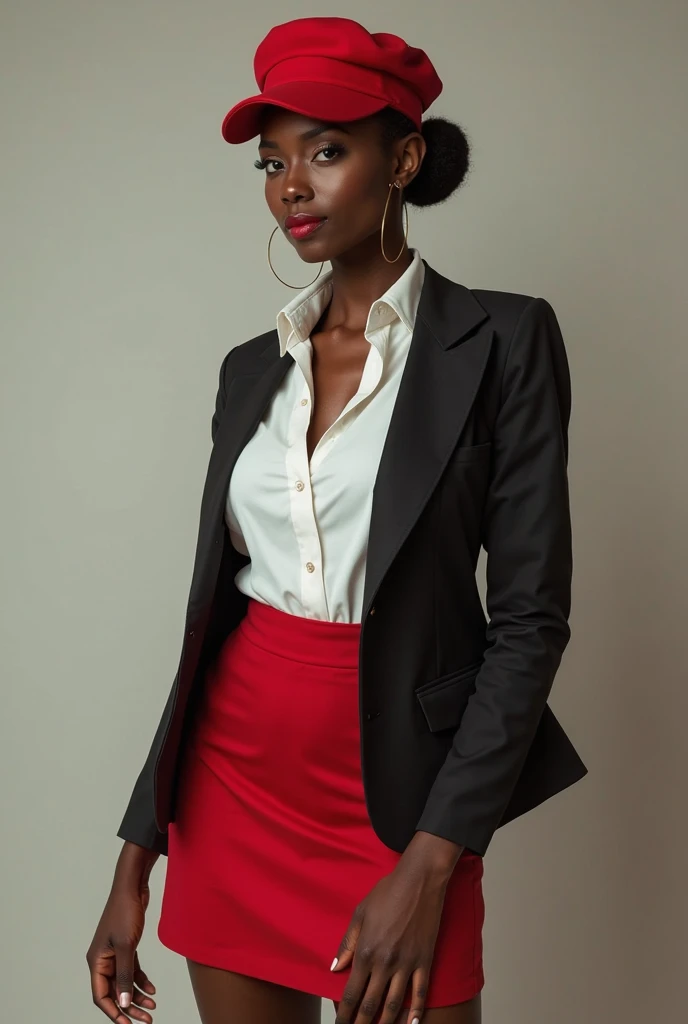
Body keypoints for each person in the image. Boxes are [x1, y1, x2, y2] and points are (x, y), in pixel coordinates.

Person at [86, 16, 587, 1024]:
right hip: (232, 790)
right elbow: (208, 624)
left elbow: (529, 621)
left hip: (406, 799)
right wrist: (138, 855)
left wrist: (434, 862)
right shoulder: (247, 371)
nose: (290, 185)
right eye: (273, 161)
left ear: (401, 157)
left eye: (326, 150)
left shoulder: (505, 341)